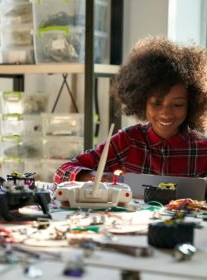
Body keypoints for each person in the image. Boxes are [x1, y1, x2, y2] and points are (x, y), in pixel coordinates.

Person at [54, 36, 207, 184]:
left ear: (192, 104)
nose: (166, 113)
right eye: (156, 103)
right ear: (141, 101)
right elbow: (63, 172)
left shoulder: (202, 149)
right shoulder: (128, 141)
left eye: (178, 105)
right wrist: (94, 177)